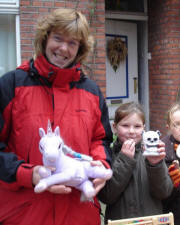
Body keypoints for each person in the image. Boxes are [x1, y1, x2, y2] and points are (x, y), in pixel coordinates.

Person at [0, 8, 113, 225]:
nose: (63, 48)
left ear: (80, 49)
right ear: (45, 39)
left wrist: (101, 166)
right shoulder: (12, 85)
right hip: (24, 214)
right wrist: (28, 174)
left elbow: (101, 140)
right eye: (58, 38)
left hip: (79, 214)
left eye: (72, 43)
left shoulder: (91, 92)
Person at [98, 102, 173, 223]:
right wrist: (125, 159)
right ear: (114, 127)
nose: (131, 131)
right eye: (125, 125)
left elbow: (164, 192)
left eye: (137, 126)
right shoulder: (108, 156)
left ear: (144, 128)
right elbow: (106, 196)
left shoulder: (151, 155)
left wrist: (155, 165)